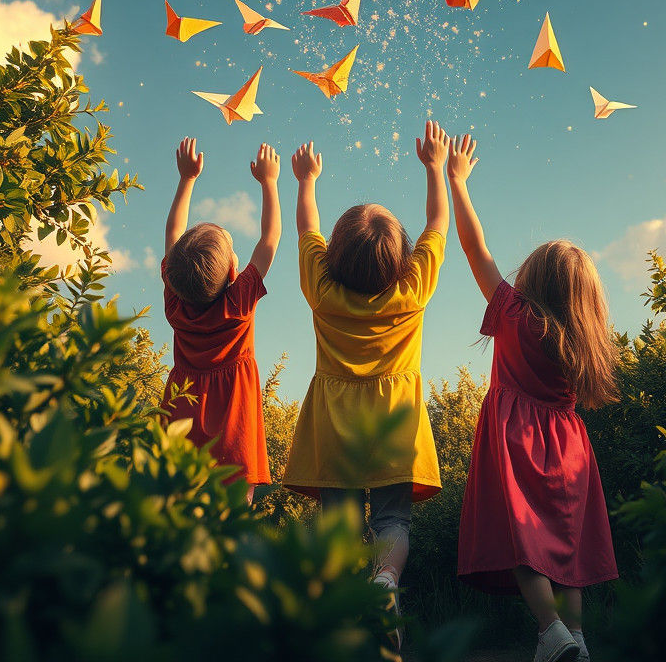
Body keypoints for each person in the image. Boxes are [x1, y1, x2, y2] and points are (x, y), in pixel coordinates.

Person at [448, 134, 619, 662]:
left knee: (525, 543)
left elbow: (475, 249)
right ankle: (577, 638)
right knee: (566, 549)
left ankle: (551, 632)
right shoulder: (586, 342)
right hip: (569, 449)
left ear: (532, 280)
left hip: (517, 439)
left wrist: (457, 181)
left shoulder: (514, 315)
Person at [283, 122, 451, 646]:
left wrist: (306, 180)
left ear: (335, 254)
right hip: (395, 426)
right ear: (401, 257)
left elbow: (306, 228)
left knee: (338, 530)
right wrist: (437, 168)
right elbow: (438, 222)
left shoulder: (321, 291)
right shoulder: (412, 291)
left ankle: (339, 626)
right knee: (393, 521)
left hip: (335, 430)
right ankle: (385, 582)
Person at [160, 137, 281, 502]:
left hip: (181, 417)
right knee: (233, 518)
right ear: (233, 271)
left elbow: (172, 235)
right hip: (233, 427)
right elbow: (270, 238)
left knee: (180, 510)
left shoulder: (176, 304)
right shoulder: (238, 304)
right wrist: (270, 181)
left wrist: (186, 179)